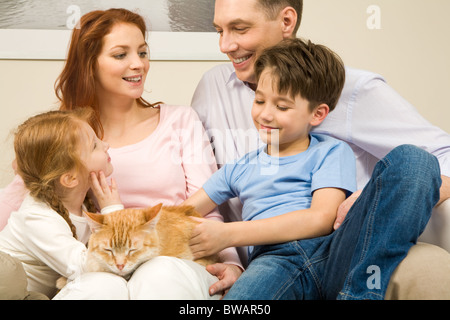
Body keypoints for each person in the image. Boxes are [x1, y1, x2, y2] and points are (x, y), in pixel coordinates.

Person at [191, 0, 450, 299]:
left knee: (415, 160)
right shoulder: (218, 97)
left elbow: (322, 217)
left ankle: (360, 294)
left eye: (239, 28)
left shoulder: (339, 130)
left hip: (345, 244)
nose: (225, 45)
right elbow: (186, 204)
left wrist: (371, 201)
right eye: (218, 30)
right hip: (271, 259)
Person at [0, 8, 242, 299]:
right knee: (100, 287)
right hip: (107, 268)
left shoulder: (180, 120)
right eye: (120, 55)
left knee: (158, 274)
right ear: (90, 65)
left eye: (142, 52)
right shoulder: (68, 137)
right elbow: (24, 205)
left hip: (170, 262)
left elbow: (209, 211)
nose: (138, 64)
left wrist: (232, 264)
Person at [0, 109, 123, 298]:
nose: (106, 145)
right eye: (94, 146)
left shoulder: (82, 203)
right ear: (70, 178)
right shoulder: (37, 217)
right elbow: (85, 266)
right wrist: (112, 211)